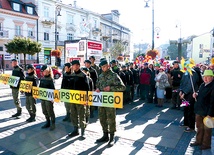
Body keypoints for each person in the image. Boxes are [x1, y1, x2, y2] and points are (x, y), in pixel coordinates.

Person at [95, 60, 126, 146]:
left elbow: (122, 87)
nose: (103, 68)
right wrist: (97, 89)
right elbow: (97, 85)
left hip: (110, 101)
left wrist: (111, 88)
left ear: (108, 66)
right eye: (101, 67)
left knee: (111, 119)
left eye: (104, 66)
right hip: (101, 100)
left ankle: (112, 137)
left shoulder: (114, 75)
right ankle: (105, 135)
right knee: (102, 118)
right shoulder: (100, 76)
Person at [190, 70, 214, 150]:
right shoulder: (203, 85)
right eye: (204, 77)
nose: (205, 78)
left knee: (207, 129)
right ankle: (198, 141)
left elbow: (213, 102)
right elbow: (199, 92)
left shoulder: (213, 87)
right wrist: (196, 93)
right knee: (199, 127)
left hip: (207, 112)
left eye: (207, 77)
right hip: (199, 110)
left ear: (212, 78)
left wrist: (210, 114)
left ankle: (206, 144)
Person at [68, 60, 90, 139]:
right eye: (73, 65)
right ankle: (75, 129)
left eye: (75, 65)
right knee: (73, 114)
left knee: (81, 115)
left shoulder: (83, 75)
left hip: (81, 99)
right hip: (73, 98)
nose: (74, 67)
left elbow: (87, 88)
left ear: (78, 66)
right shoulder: (72, 75)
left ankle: (83, 131)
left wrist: (87, 99)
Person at [179, 68, 200, 132]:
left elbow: (190, 85)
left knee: (190, 110)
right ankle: (186, 123)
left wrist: (184, 93)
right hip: (185, 94)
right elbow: (182, 82)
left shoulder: (194, 74)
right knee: (185, 108)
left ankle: (191, 126)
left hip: (191, 94)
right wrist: (181, 90)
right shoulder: (185, 73)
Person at [39, 65, 56, 131]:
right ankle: (47, 122)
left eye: (46, 71)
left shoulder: (50, 79)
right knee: (44, 110)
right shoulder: (42, 79)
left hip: (49, 98)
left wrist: (53, 98)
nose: (44, 72)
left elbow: (53, 89)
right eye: (44, 71)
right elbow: (40, 88)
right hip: (43, 97)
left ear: (49, 72)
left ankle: (53, 123)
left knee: (50, 111)